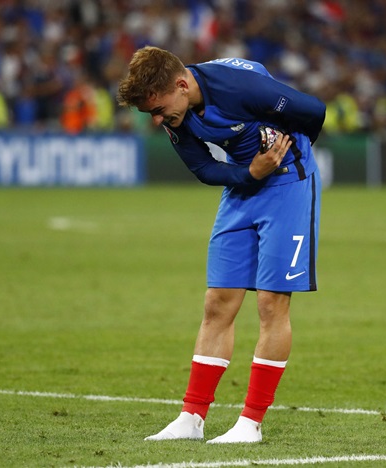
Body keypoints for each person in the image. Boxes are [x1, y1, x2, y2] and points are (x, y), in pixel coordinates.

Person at [117, 46, 326, 444]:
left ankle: (250, 423)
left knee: (271, 303)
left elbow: (314, 110)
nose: (157, 120)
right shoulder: (176, 114)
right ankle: (191, 417)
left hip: (289, 185)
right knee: (217, 302)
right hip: (243, 186)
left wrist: (293, 150)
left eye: (158, 110)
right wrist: (250, 173)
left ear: (181, 86)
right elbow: (203, 168)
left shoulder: (238, 88)